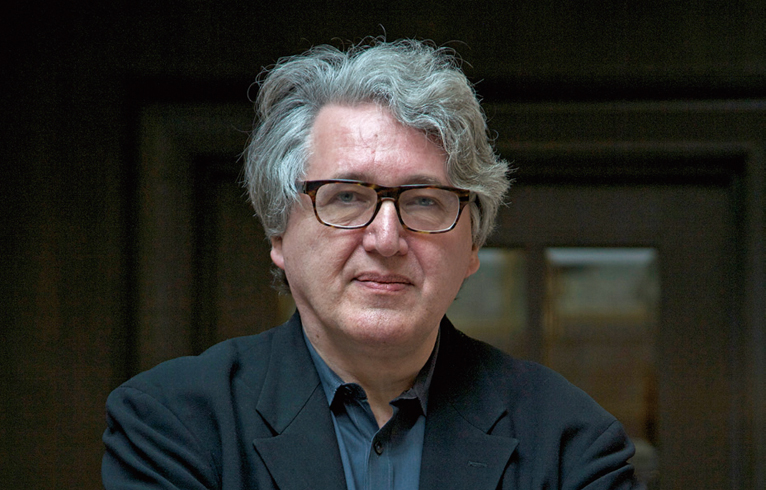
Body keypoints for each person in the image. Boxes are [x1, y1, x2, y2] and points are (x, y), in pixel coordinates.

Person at [102, 38, 639, 489]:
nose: (386, 239)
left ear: (473, 245)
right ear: (279, 233)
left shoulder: (571, 443)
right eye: (346, 197)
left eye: (424, 201)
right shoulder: (173, 424)